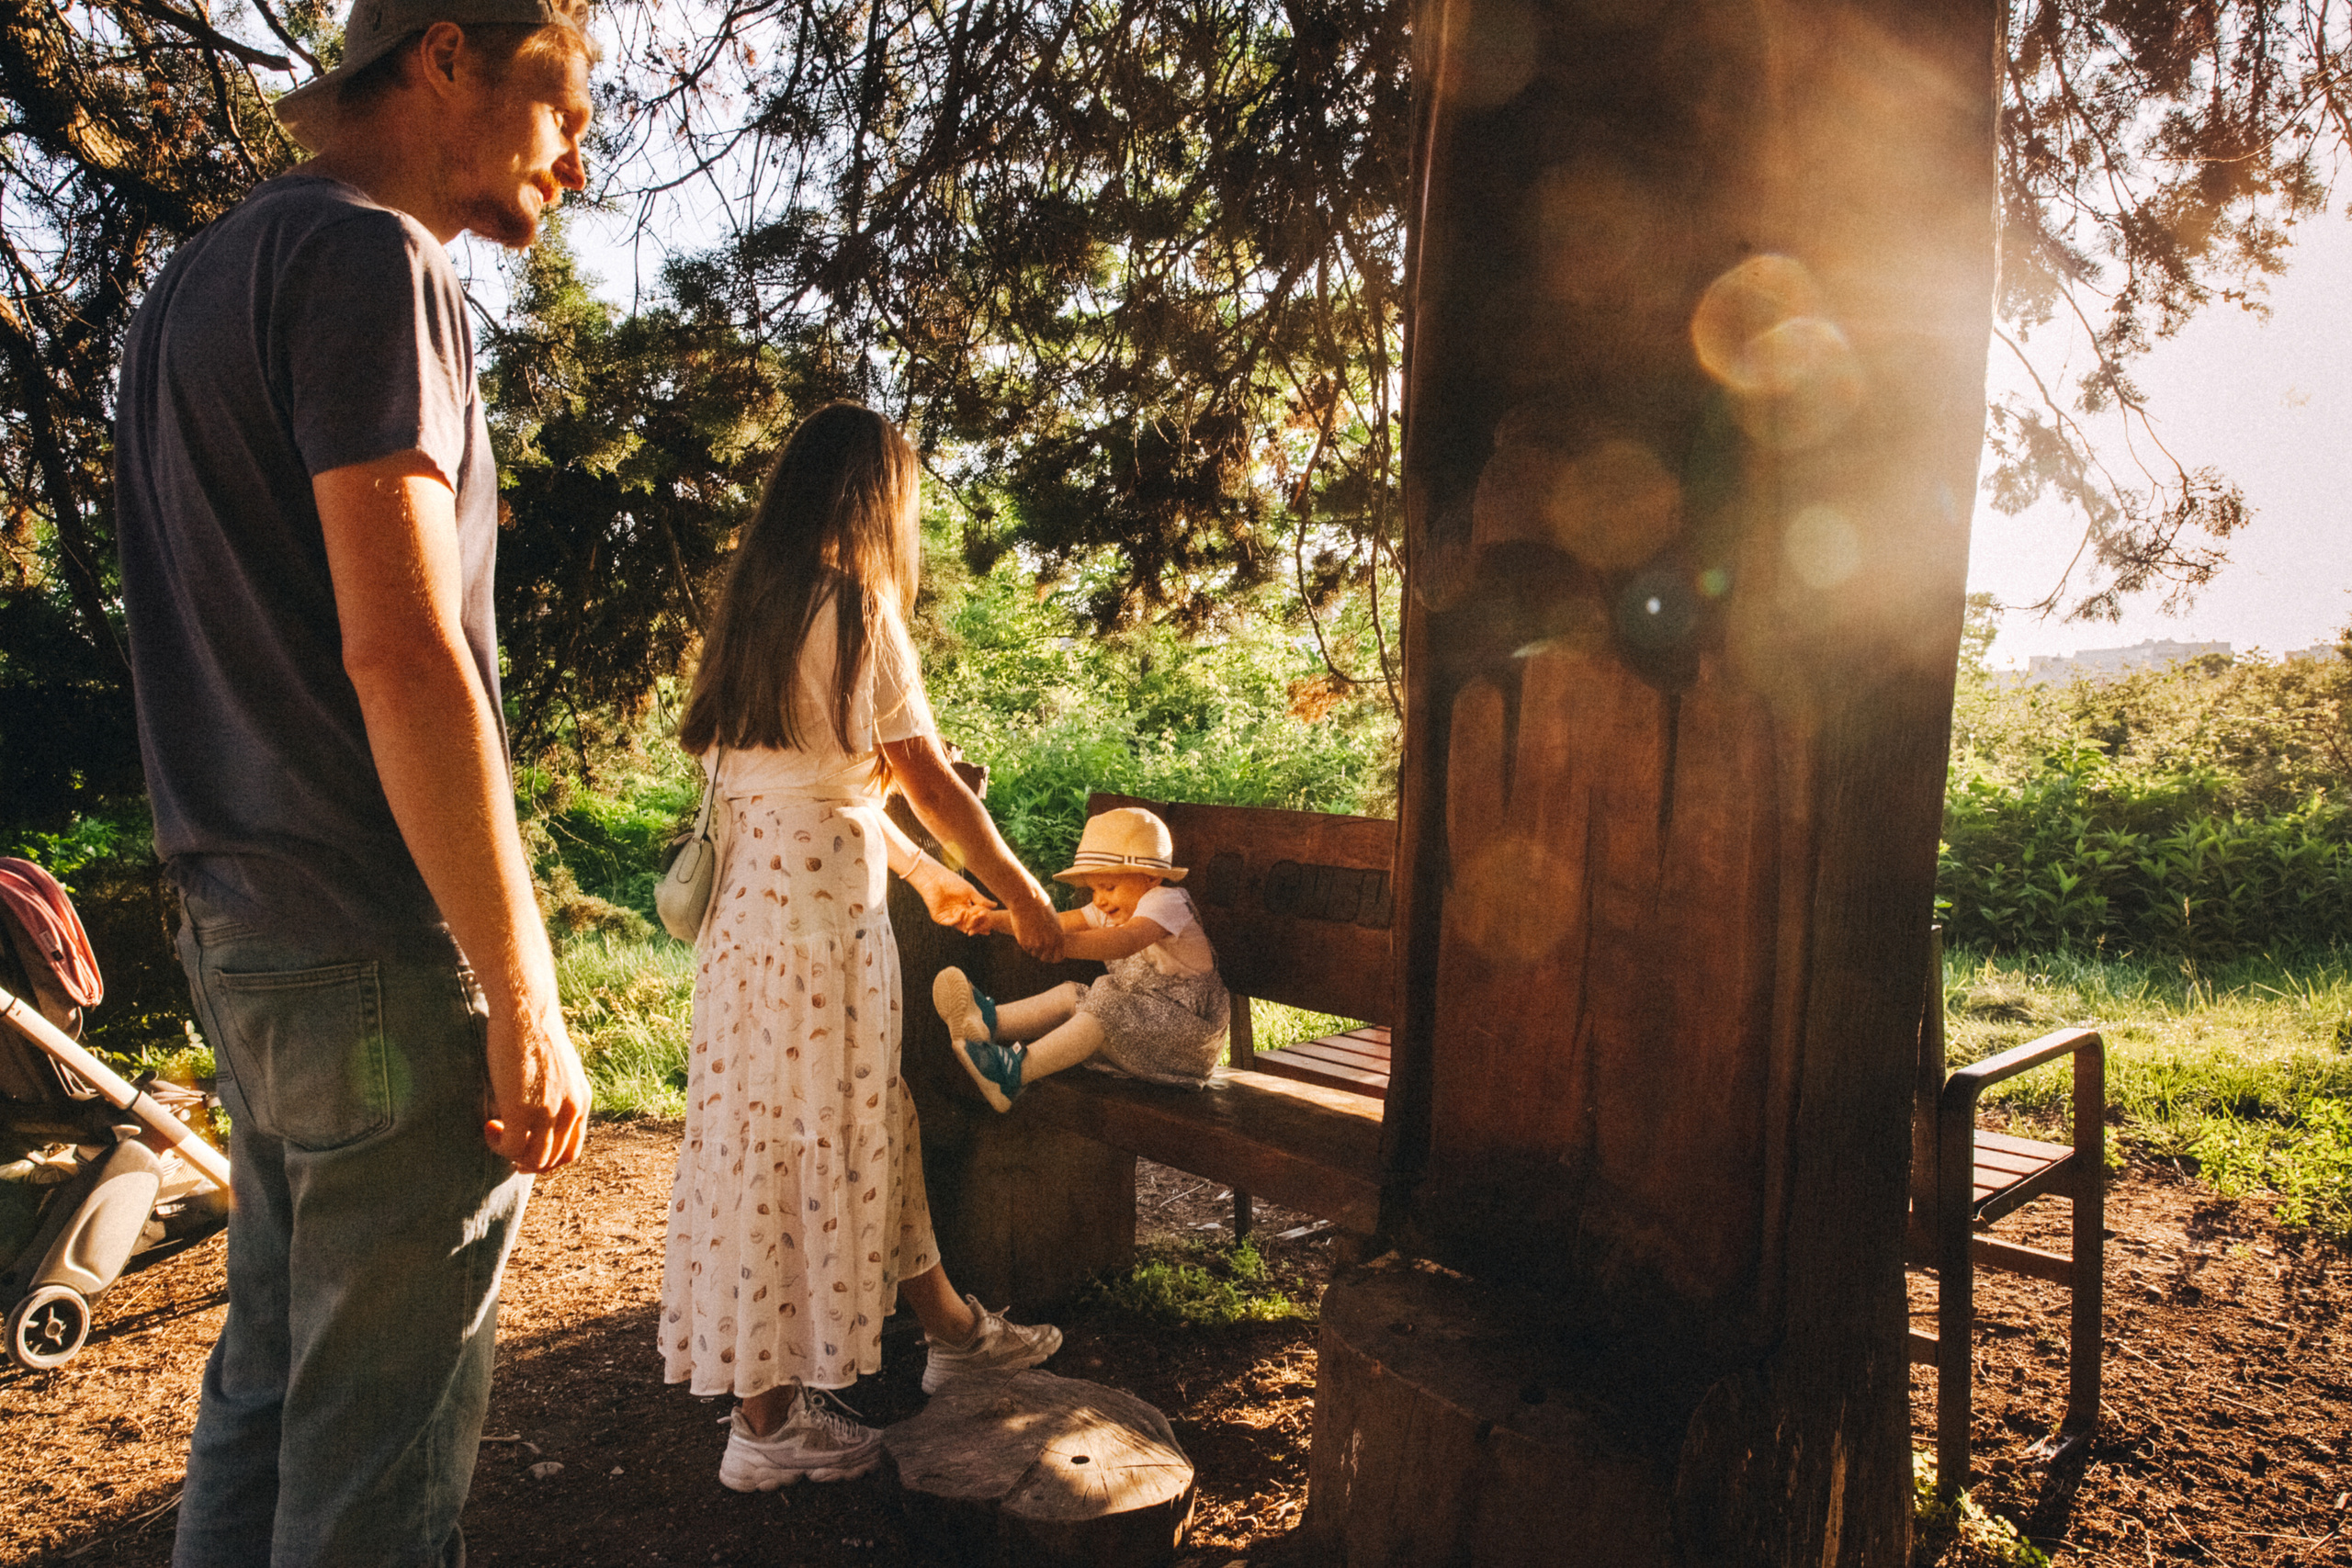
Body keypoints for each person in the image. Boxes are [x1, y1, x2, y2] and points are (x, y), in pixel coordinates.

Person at [112, 4, 597, 1562]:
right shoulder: (371, 261)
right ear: (446, 56)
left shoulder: (196, 280)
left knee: (268, 1388)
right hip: (374, 955)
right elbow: (401, 652)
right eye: (561, 108)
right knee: (373, 1472)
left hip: (245, 934)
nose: (574, 162)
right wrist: (520, 992)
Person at [661, 401, 1069, 1492]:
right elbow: (924, 777)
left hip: (748, 929)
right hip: (820, 933)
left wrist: (930, 879)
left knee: (823, 1124)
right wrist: (1020, 891)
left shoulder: (749, 608)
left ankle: (949, 1333)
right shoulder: (857, 606)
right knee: (816, 1133)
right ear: (876, 500)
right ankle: (766, 1423)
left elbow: (816, 781)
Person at [934, 807, 1231, 1110]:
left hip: (1186, 1045)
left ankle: (1013, 1074)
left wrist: (1059, 946)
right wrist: (992, 920)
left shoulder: (1166, 902)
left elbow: (1123, 942)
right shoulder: (1112, 908)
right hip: (1145, 1030)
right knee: (1072, 994)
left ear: (1152, 877)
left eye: (1109, 886)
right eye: (1094, 889)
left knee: (1107, 1001)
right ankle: (988, 1024)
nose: (1100, 899)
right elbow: (1052, 925)